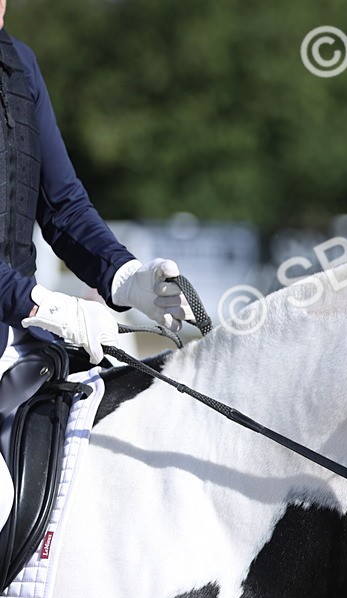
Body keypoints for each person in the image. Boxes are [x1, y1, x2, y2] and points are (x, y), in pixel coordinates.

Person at [0, 10, 192, 522]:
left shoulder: (18, 65)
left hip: (17, 348)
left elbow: (60, 205)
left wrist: (125, 277)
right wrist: (39, 303)